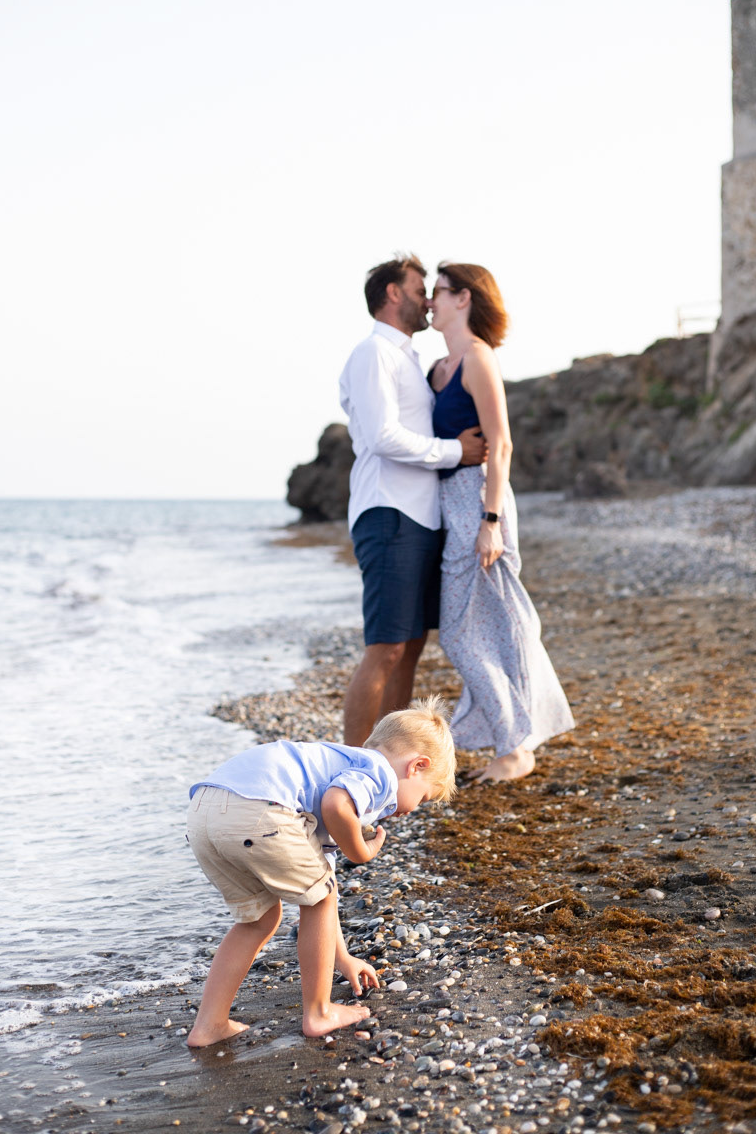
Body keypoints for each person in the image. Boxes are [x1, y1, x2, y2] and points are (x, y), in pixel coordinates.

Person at [185, 696, 456, 1045]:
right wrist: (360, 851)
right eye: (422, 798)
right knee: (320, 900)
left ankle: (209, 1025)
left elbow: (322, 882)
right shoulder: (380, 772)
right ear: (416, 766)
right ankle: (318, 1012)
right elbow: (335, 804)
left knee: (260, 921)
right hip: (260, 809)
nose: (410, 810)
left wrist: (342, 958)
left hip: (205, 812)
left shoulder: (333, 765)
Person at [427, 262, 574, 783]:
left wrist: (489, 520)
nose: (429, 301)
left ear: (463, 298)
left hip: (480, 501)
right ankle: (514, 742)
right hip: (450, 504)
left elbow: (501, 442)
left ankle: (516, 747)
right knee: (476, 630)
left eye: (438, 293)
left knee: (473, 632)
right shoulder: (438, 368)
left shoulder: (477, 359)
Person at [339, 254, 487, 747]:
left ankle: (385, 762)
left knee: (410, 646)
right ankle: (351, 768)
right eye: (420, 289)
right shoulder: (373, 353)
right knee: (386, 647)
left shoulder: (408, 358)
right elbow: (382, 436)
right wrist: (455, 452)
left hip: (421, 517)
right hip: (389, 512)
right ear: (393, 294)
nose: (428, 300)